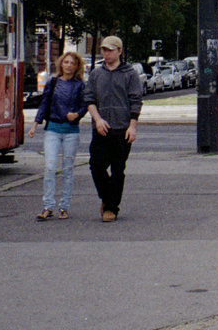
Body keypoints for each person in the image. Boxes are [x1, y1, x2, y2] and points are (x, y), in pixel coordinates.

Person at [84, 35, 143, 222]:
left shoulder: (130, 74)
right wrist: (97, 119)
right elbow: (90, 99)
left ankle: (111, 208)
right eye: (104, 50)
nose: (106, 53)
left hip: (122, 128)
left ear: (119, 51)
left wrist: (132, 127)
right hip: (101, 128)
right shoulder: (96, 74)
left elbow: (135, 101)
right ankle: (107, 197)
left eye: (110, 50)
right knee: (96, 165)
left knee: (118, 169)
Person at [28, 50, 87, 220]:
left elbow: (85, 105)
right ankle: (48, 206)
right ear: (61, 64)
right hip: (53, 128)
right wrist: (35, 125)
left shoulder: (80, 85)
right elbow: (44, 104)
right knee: (50, 167)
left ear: (77, 67)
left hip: (71, 131)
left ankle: (64, 207)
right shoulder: (53, 83)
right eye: (66, 62)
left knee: (68, 170)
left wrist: (77, 115)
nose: (68, 65)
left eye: (72, 63)